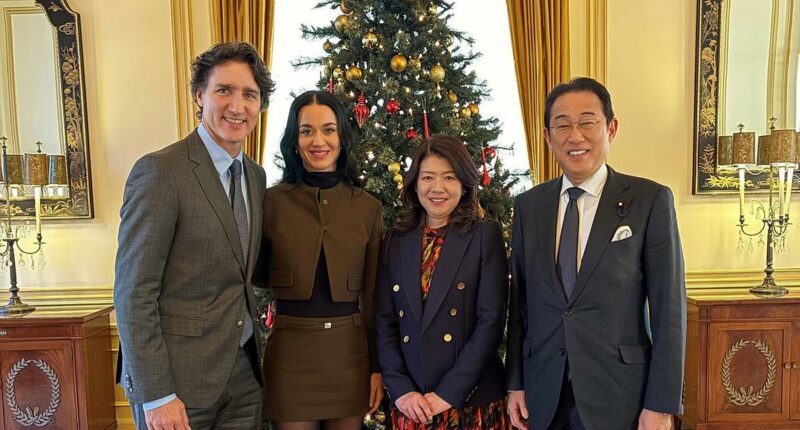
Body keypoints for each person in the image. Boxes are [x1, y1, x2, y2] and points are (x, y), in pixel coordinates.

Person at [505, 77, 686, 430]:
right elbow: (520, 306)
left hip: (621, 397)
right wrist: (516, 382)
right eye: (562, 125)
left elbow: (669, 311)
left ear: (611, 128)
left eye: (588, 122)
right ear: (547, 137)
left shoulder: (649, 201)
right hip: (544, 395)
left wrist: (661, 404)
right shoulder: (529, 206)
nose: (575, 136)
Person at [114, 41, 274, 430]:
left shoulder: (255, 176)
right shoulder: (160, 172)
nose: (237, 106)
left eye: (249, 95)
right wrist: (157, 395)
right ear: (199, 95)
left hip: (243, 378)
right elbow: (134, 292)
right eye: (224, 90)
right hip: (177, 386)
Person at [260, 90, 383, 430]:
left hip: (349, 356)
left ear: (342, 137)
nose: (318, 140)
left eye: (328, 130)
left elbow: (373, 296)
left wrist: (376, 366)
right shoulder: (271, 202)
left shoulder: (368, 207)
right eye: (307, 131)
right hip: (290, 355)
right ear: (294, 140)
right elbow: (254, 275)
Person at [375, 134, 511, 429]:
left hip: (471, 402)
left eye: (449, 177)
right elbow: (385, 323)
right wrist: (401, 391)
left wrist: (448, 394)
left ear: (463, 184)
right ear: (414, 183)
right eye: (427, 177)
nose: (437, 188)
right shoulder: (395, 240)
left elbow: (491, 322)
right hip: (413, 406)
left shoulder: (484, 235)